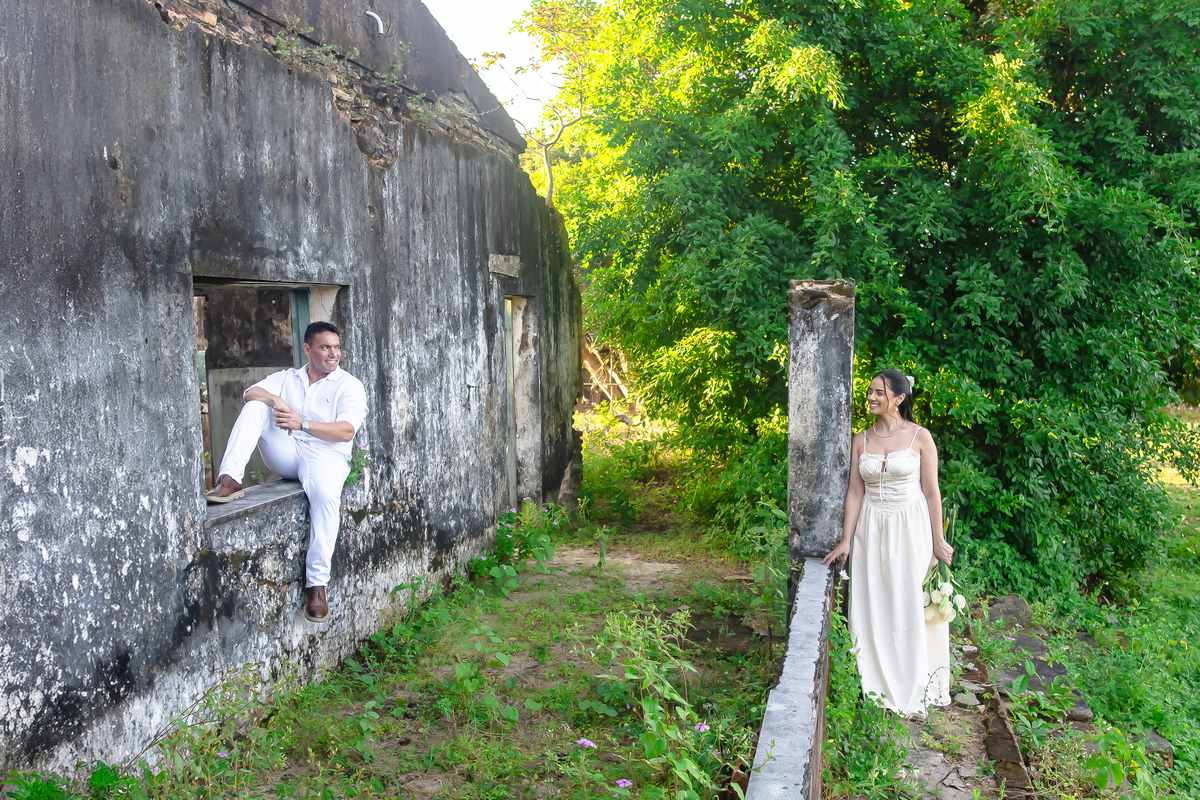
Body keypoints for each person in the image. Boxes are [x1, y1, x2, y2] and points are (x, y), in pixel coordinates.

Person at [205, 321, 368, 624]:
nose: (333, 353)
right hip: (288, 451)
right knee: (256, 407)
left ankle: (317, 585)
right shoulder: (287, 378)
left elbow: (346, 431)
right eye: (325, 347)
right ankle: (229, 479)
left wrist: (302, 422)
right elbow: (250, 393)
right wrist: (276, 400)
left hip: (326, 454)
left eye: (336, 347)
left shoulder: (348, 385)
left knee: (324, 496)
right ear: (308, 349)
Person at [822, 369, 953, 716]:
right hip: (870, 526)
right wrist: (846, 540)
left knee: (905, 601)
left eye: (880, 392)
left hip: (910, 528)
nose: (872, 397)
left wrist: (938, 541)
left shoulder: (919, 437)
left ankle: (911, 683)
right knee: (872, 602)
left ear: (899, 399)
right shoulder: (860, 440)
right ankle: (875, 685)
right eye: (870, 391)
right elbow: (854, 491)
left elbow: (931, 492)